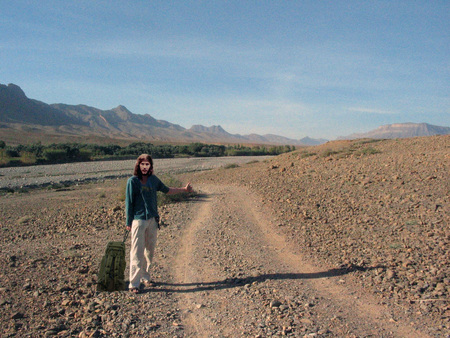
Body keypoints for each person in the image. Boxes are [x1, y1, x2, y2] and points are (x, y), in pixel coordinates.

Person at [125, 153, 193, 294]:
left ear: (150, 166)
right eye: (142, 164)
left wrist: (184, 190)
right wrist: (128, 222)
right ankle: (134, 283)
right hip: (138, 220)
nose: (145, 166)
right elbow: (129, 203)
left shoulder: (153, 180)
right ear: (138, 165)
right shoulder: (132, 181)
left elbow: (167, 190)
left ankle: (145, 277)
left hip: (152, 221)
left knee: (149, 252)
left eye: (147, 164)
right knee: (136, 252)